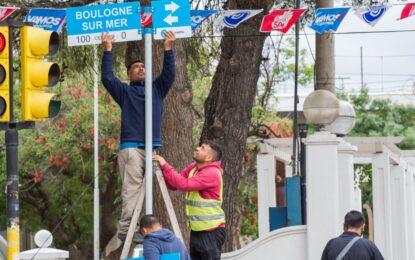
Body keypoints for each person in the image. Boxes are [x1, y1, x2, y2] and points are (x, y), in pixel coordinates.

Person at [101, 31, 176, 242]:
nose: (141, 68)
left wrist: (168, 49)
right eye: (136, 67)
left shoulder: (157, 89)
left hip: (151, 149)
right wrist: (108, 50)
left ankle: (147, 229)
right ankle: (126, 230)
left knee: (151, 192)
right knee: (132, 190)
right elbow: (107, 77)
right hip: (132, 148)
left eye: (143, 66)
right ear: (129, 75)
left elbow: (169, 74)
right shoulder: (125, 92)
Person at [153, 143, 226, 260]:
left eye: (202, 148)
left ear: (208, 158)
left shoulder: (211, 173)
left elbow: (183, 184)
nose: (197, 148)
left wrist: (165, 165)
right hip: (197, 230)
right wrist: (163, 169)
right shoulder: (194, 167)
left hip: (211, 231)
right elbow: (174, 184)